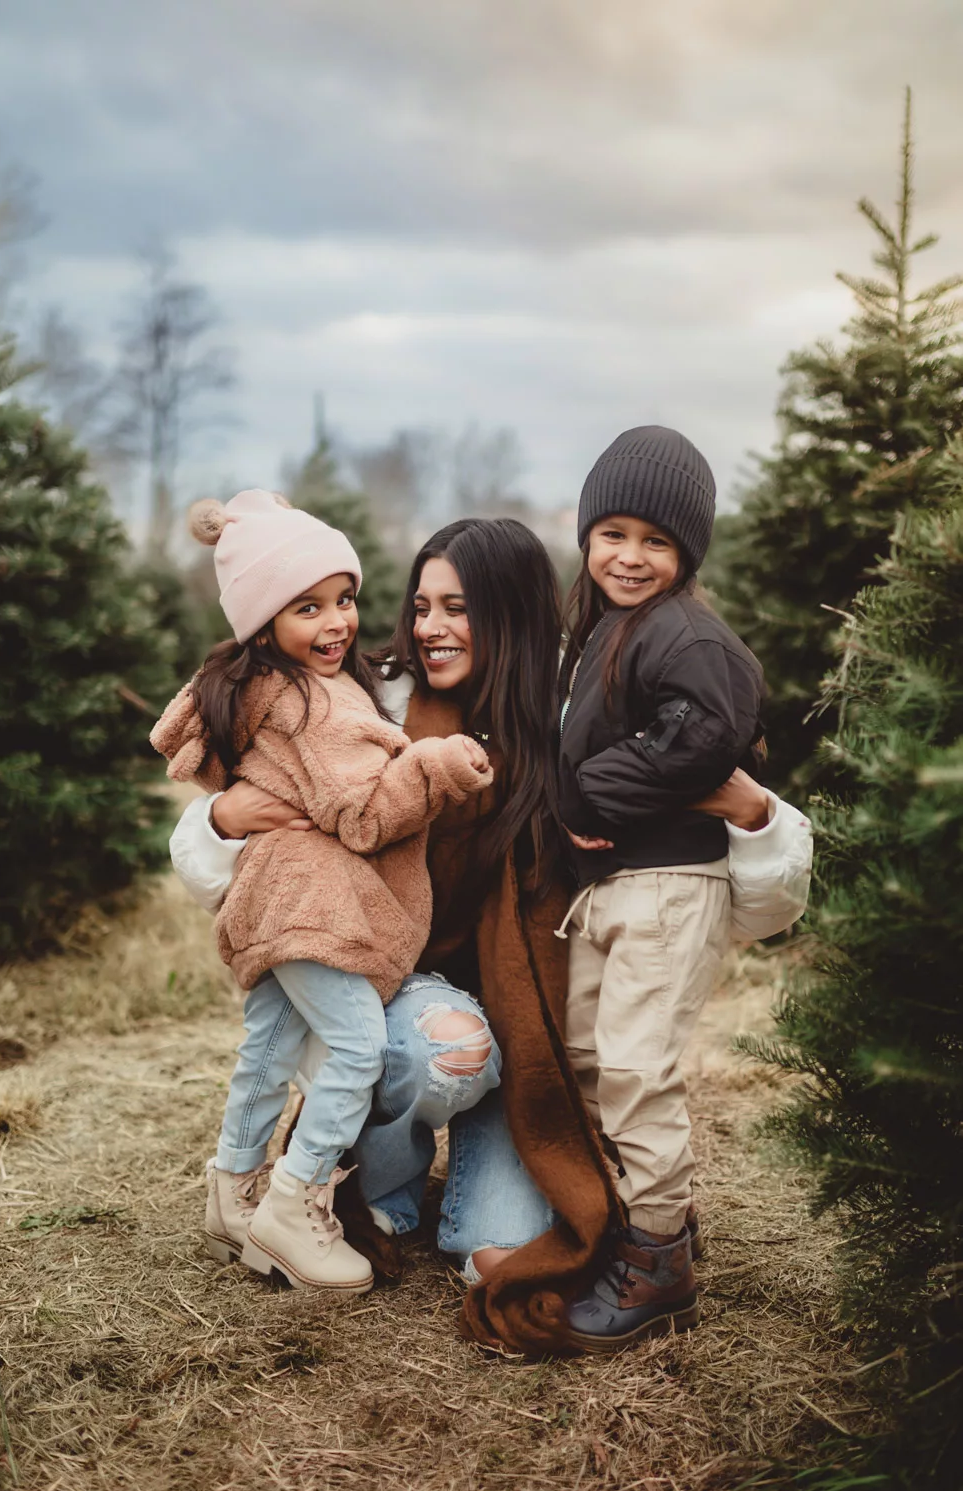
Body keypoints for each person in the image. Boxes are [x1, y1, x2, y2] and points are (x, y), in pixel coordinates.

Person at [170, 514, 775, 1354]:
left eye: (459, 608)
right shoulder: (366, 703)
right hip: (398, 988)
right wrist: (222, 822)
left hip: (529, 1025)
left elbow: (731, 892)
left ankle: (489, 1195)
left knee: (503, 1262)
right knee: (449, 1049)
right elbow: (246, 873)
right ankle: (379, 1188)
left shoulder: (575, 724)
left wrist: (756, 818)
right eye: (421, 606)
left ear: (512, 614)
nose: (430, 629)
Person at [151, 489, 492, 1297]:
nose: (338, 621)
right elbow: (365, 816)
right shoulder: (320, 701)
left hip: (276, 902)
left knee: (268, 1049)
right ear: (264, 622)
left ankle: (232, 1188)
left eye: (345, 598)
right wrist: (438, 764)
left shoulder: (269, 686)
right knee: (355, 1049)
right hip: (312, 904)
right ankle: (291, 1202)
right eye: (308, 607)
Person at [556, 425, 765, 1351]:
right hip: (612, 885)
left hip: (670, 883)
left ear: (685, 555)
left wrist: (590, 791)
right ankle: (650, 1218)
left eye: (657, 542)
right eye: (615, 534)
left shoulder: (686, 632)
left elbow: (710, 731)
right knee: (589, 1056)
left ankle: (659, 1263)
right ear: (588, 533)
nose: (631, 557)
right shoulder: (602, 627)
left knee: (636, 1069)